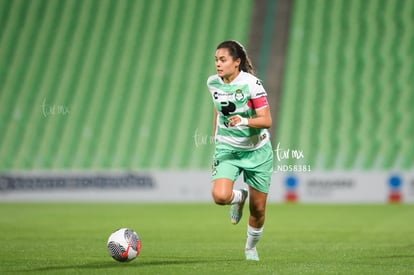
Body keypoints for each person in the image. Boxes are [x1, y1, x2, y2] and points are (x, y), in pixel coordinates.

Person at [206, 40, 274, 261]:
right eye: (216, 59)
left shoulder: (252, 84)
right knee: (220, 196)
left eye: (223, 60)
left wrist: (243, 121)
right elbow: (219, 110)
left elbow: (267, 120)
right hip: (229, 150)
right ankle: (238, 197)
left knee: (258, 211)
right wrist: (216, 134)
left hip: (257, 151)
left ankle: (250, 248)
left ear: (237, 62)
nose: (218, 64)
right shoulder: (213, 83)